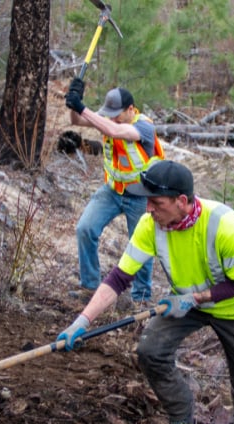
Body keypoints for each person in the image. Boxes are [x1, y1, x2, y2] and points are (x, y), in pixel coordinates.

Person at [56, 160, 234, 424]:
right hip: (186, 303)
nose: (148, 209)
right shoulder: (150, 225)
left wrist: (194, 298)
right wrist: (81, 322)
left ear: (181, 201)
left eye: (156, 203)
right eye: (147, 202)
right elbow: (119, 278)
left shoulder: (224, 225)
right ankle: (182, 420)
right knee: (150, 351)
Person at [64, 78, 164, 304]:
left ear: (131, 109)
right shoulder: (110, 119)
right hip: (111, 191)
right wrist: (74, 102)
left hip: (140, 196)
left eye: (116, 113)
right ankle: (90, 287)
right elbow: (78, 121)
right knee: (85, 228)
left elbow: (116, 131)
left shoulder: (143, 126)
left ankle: (141, 298)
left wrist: (83, 108)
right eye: (109, 113)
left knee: (141, 245)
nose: (111, 117)